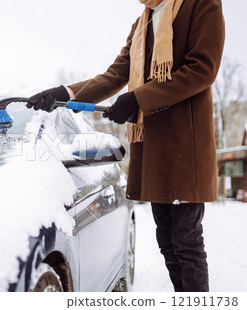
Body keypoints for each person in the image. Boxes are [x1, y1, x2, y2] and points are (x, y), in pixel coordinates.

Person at [27, 0, 225, 292]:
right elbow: (116, 75)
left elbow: (203, 69)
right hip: (152, 147)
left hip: (186, 144)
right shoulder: (142, 21)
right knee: (168, 242)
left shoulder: (200, 4)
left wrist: (138, 98)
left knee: (187, 241)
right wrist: (65, 92)